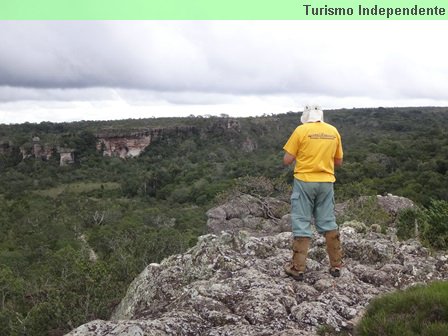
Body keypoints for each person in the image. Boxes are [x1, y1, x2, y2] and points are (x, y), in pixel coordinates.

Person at [282, 104, 343, 281]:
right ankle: (336, 265)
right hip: (326, 182)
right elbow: (338, 161)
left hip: (304, 182)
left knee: (301, 221)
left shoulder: (301, 130)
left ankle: (297, 268)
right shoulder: (333, 131)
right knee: (328, 222)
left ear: (306, 116)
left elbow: (287, 160)